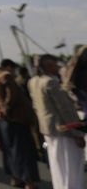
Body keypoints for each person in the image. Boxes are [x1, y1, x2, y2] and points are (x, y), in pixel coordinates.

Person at [28, 54, 84, 189]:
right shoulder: (50, 82)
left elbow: (35, 106)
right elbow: (65, 110)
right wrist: (77, 133)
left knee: (57, 165)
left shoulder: (33, 81)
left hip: (48, 129)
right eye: (55, 64)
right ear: (48, 66)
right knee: (70, 165)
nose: (58, 66)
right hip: (63, 130)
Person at [0, 59, 40, 189]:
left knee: (9, 150)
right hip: (16, 118)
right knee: (23, 150)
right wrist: (6, 108)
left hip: (3, 120)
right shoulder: (6, 76)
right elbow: (13, 95)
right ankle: (29, 183)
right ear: (8, 67)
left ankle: (15, 179)